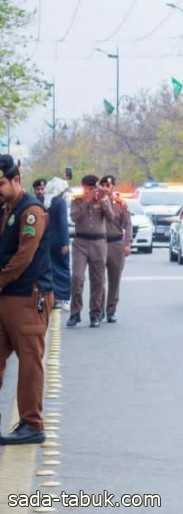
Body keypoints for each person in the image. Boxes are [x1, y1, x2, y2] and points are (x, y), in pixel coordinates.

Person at [0, 154, 54, 445]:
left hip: (28, 298)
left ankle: (32, 424)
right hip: (6, 297)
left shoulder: (31, 211)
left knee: (29, 361)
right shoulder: (4, 207)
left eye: (1, 184)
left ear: (16, 180)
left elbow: (24, 256)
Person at [68, 174, 115, 328]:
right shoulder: (77, 200)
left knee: (98, 280)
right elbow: (74, 217)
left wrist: (103, 201)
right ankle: (75, 313)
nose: (91, 191)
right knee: (77, 278)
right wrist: (86, 202)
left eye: (93, 188)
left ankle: (95, 313)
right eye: (88, 188)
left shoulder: (102, 200)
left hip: (98, 242)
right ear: (84, 188)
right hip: (80, 242)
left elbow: (111, 218)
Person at [99, 175, 131, 324]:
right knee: (98, 278)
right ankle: (98, 309)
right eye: (103, 185)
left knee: (114, 279)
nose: (105, 188)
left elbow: (128, 224)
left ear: (113, 187)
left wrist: (127, 243)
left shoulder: (120, 203)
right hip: (99, 243)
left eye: (108, 185)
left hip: (116, 243)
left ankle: (111, 310)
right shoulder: (95, 202)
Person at [42, 178, 71, 310]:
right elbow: (63, 223)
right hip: (59, 240)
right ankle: (63, 297)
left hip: (46, 240)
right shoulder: (60, 202)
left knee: (51, 269)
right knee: (63, 269)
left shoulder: (44, 201)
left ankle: (52, 296)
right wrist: (65, 242)